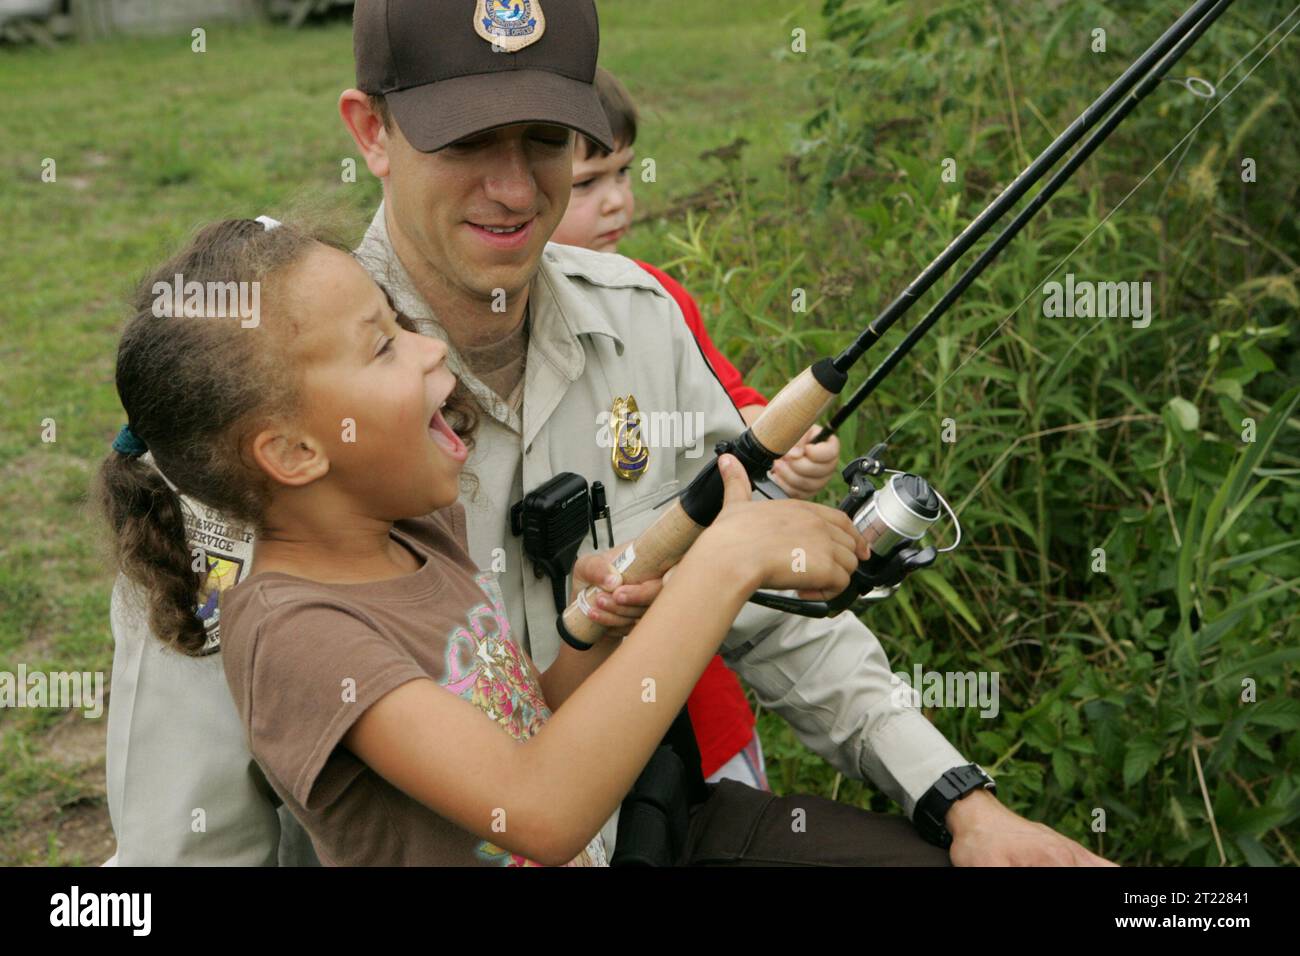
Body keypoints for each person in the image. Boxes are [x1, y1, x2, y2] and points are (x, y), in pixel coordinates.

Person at [103, 0, 1114, 867]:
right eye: (466, 141)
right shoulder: (240, 436)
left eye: (545, 138)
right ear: (369, 129)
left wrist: (960, 801)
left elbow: (757, 622)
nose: (513, 187)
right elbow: (185, 837)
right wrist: (718, 559)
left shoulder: (638, 318)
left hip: (658, 821)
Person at [95, 214, 870, 865]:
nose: (429, 346)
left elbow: (516, 728)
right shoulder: (297, 635)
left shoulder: (415, 536)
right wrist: (724, 567)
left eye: (398, 322)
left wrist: (584, 635)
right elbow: (535, 809)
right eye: (383, 346)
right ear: (294, 453)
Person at [550, 65, 848, 791]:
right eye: (588, 183)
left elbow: (737, 411)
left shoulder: (656, 298)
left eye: (622, 172)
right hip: (565, 725)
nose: (617, 200)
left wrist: (788, 449)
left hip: (705, 719)